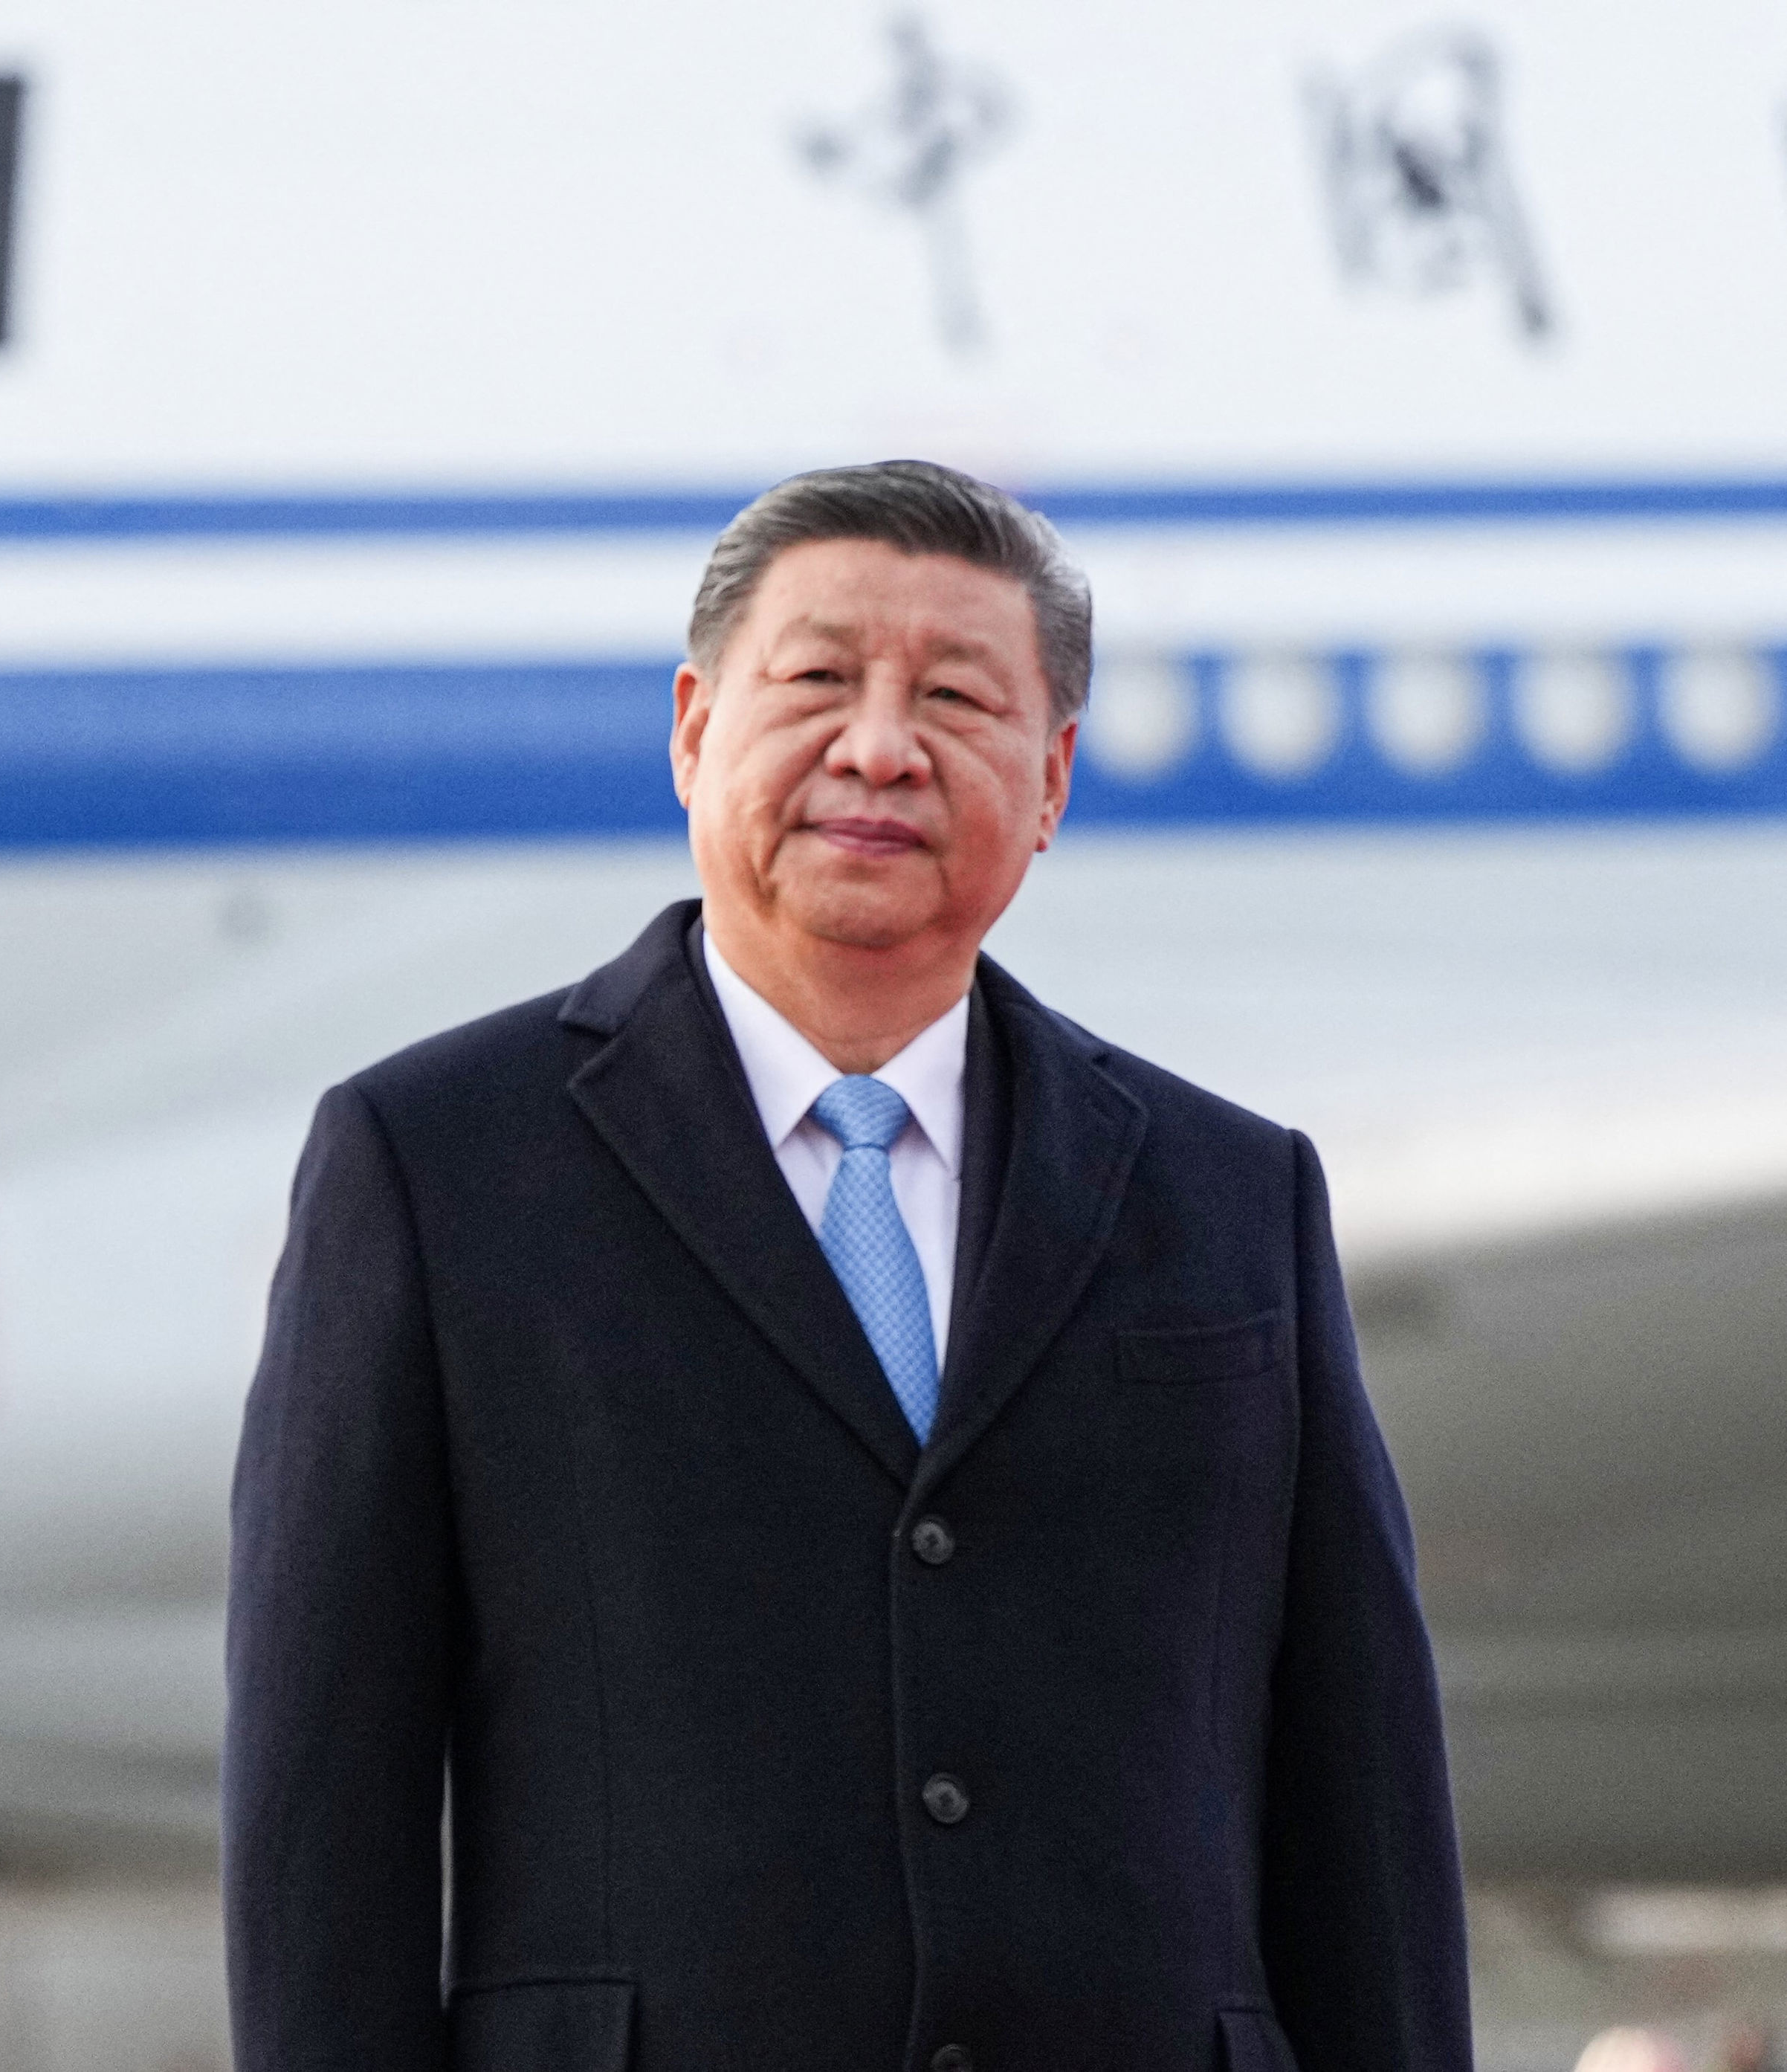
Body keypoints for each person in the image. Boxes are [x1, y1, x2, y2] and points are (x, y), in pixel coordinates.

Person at [222, 460, 1469, 2072]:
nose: (878, 747)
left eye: (954, 695)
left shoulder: (1230, 1192)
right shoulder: (434, 1163)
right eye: (816, 681)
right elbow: (324, 1809)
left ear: (1049, 782)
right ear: (691, 727)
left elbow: (1359, 1806)